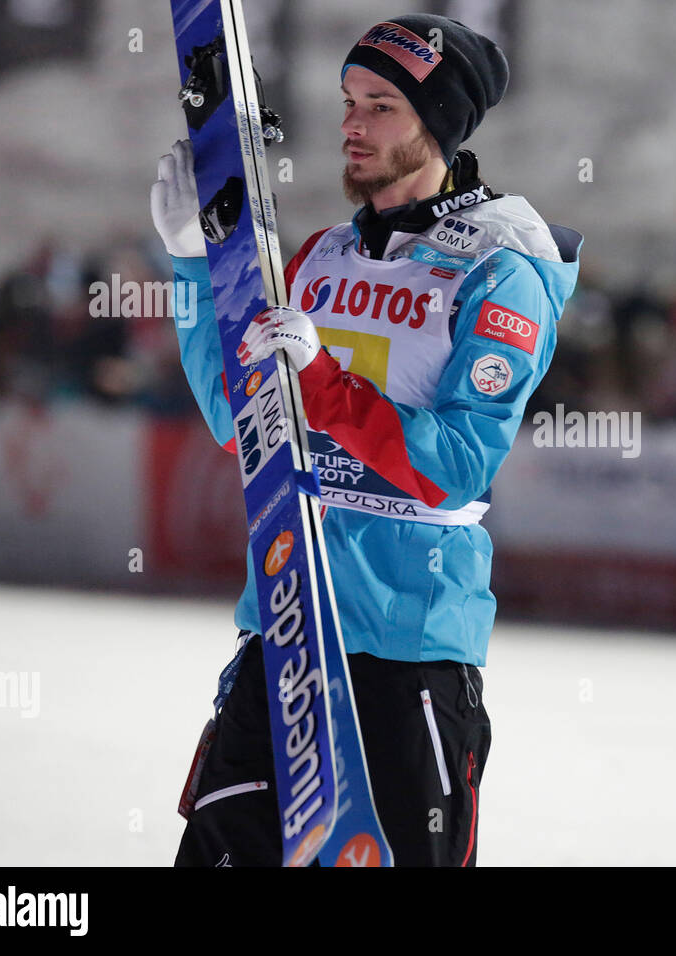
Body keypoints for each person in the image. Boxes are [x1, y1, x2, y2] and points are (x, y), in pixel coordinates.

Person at [151, 14, 581, 866]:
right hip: (282, 627)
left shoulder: (501, 271)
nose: (351, 122)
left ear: (439, 122)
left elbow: (456, 467)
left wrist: (323, 384)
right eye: (349, 100)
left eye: (381, 105)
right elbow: (241, 425)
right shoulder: (322, 256)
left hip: (405, 651)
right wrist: (192, 265)